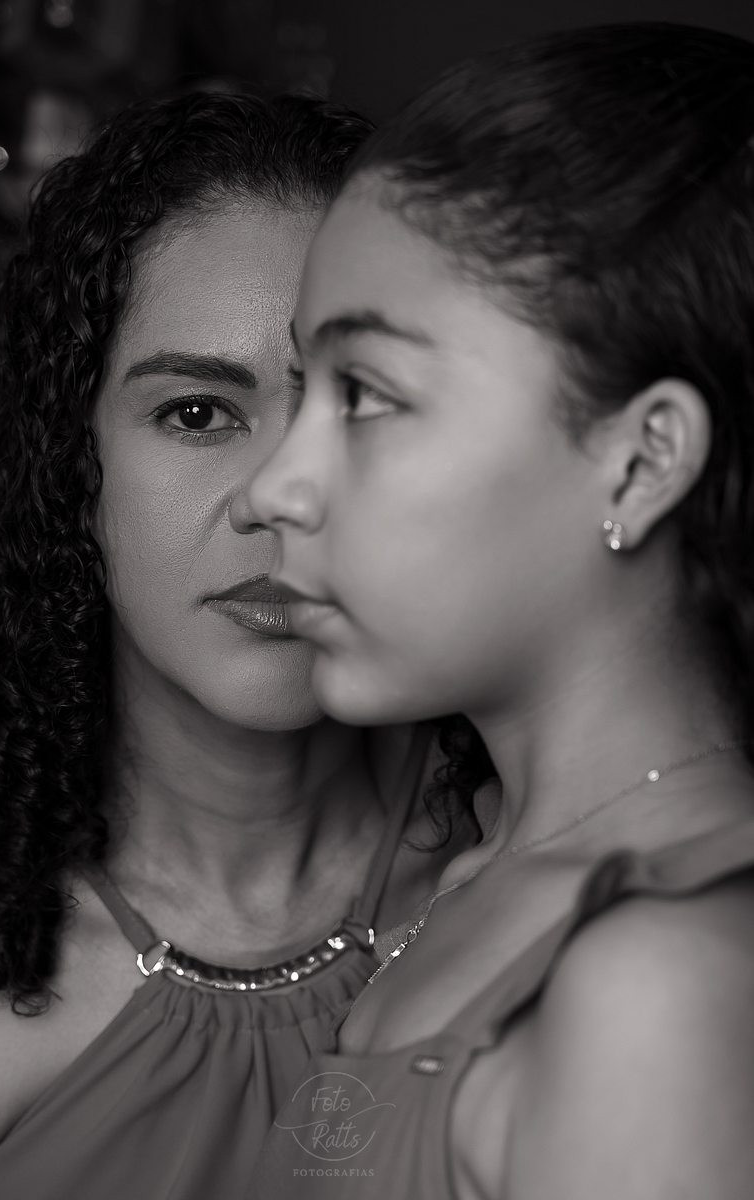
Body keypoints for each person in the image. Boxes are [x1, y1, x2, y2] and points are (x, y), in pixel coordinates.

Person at [0, 90, 482, 1200]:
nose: (282, 496)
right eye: (196, 413)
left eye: (356, 405)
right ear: (71, 465)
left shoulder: (529, 874)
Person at [248, 23, 754, 1199]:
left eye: (366, 395)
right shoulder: (479, 875)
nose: (274, 489)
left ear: (641, 461)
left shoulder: (657, 982)